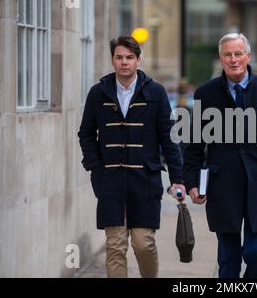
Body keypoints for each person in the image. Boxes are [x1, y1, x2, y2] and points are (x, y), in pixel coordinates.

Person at [183, 33, 257, 278]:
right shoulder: (206, 94)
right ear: (221, 58)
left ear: (248, 56)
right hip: (223, 185)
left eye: (238, 54)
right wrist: (192, 182)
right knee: (228, 258)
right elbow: (194, 145)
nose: (233, 59)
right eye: (227, 54)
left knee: (255, 252)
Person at [78, 36, 185, 278]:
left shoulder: (155, 92)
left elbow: (169, 138)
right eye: (119, 57)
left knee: (143, 243)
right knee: (115, 246)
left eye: (129, 57)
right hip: (110, 180)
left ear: (138, 60)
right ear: (113, 60)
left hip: (144, 180)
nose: (124, 62)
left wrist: (178, 178)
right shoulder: (98, 93)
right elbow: (85, 133)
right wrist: (95, 167)